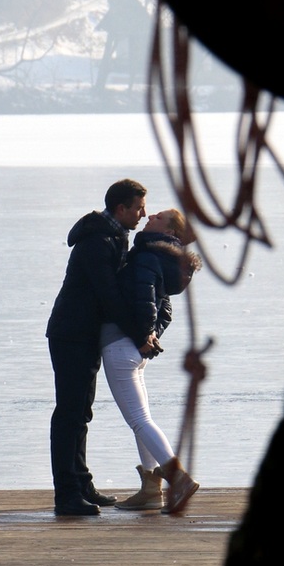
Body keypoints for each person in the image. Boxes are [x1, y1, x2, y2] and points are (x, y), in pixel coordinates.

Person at [46, 179, 150, 517]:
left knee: (81, 412)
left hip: (84, 334)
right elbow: (109, 296)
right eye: (138, 208)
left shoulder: (111, 237)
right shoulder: (97, 242)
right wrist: (139, 334)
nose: (143, 214)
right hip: (71, 334)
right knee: (70, 414)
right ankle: (67, 495)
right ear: (121, 209)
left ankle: (81, 483)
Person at [101, 208, 202, 515]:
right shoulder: (161, 258)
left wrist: (145, 332)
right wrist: (151, 335)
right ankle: (150, 489)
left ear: (170, 232)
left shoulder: (145, 256)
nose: (150, 216)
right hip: (133, 348)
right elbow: (165, 310)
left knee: (139, 420)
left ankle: (176, 478)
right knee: (140, 418)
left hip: (120, 345)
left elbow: (145, 298)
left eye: (158, 217)